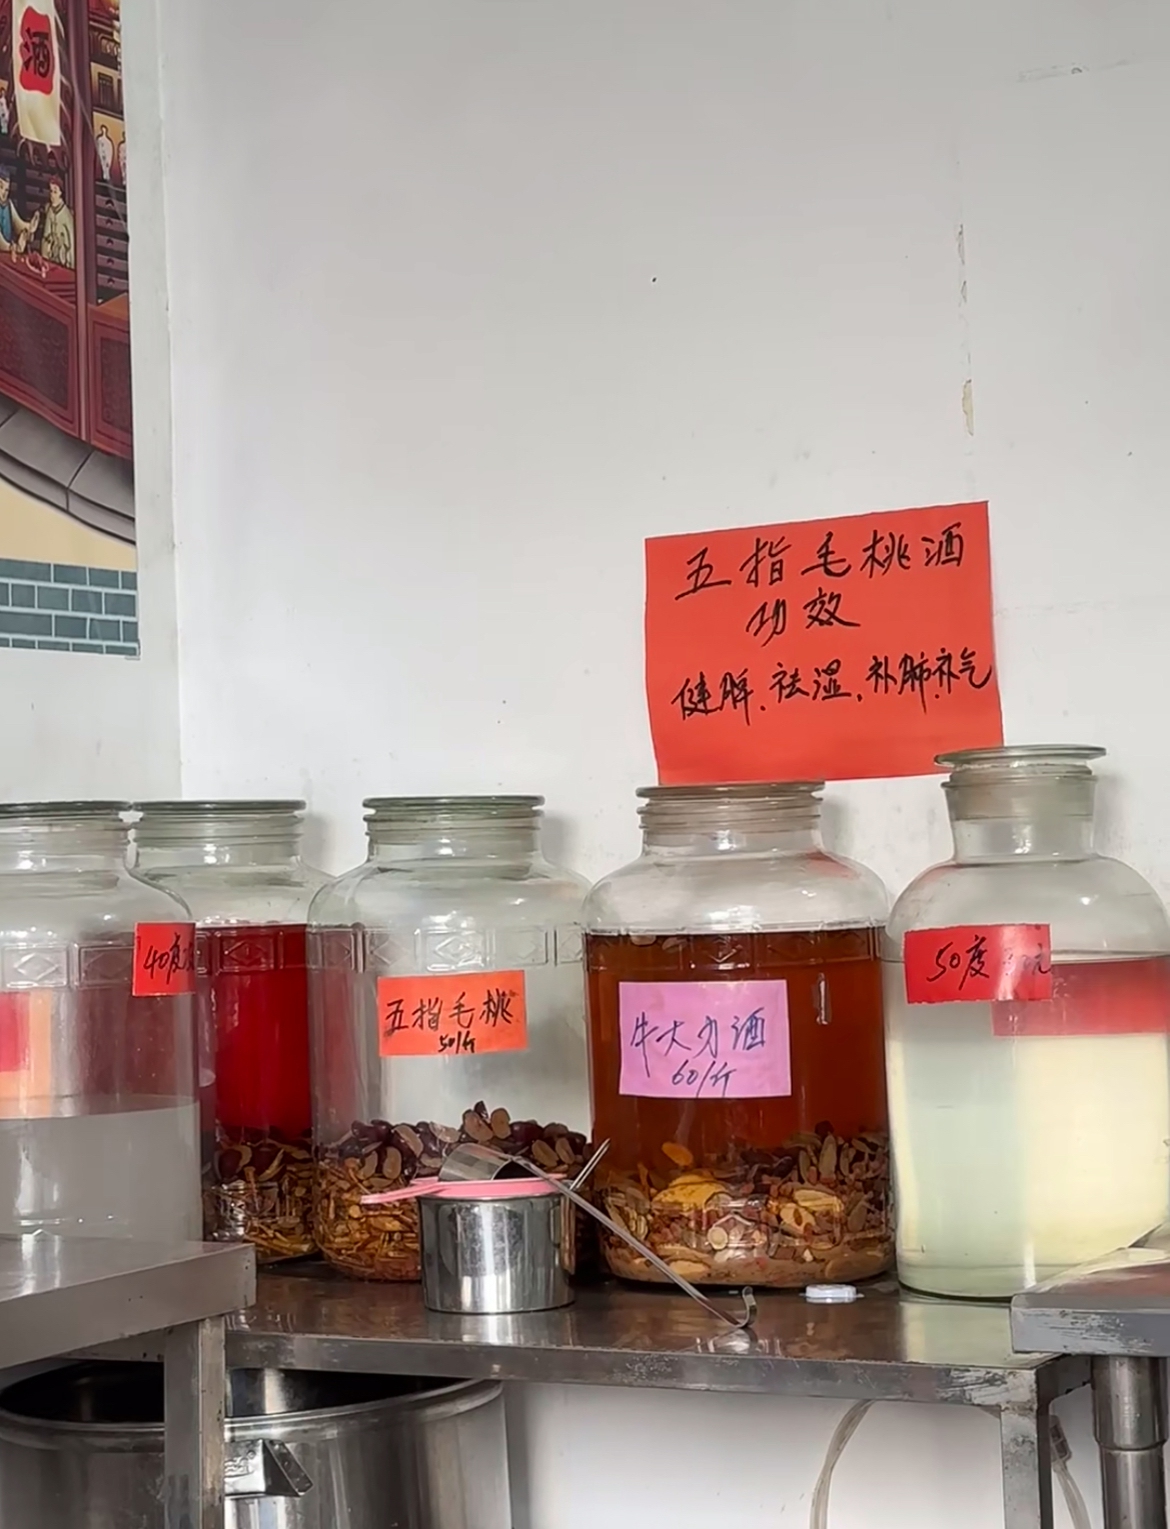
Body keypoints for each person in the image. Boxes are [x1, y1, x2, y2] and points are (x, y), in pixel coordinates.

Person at [32, 176, 74, 268]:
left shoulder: (66, 215)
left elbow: (71, 241)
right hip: (51, 258)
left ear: (60, 193)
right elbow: (46, 235)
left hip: (64, 260)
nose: (52, 195)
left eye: (55, 192)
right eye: (51, 191)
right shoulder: (50, 211)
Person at [0, 167, 31, 254]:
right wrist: (11, 247)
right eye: (0, 187)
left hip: (6, 254)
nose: (4, 193)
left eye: (6, 189)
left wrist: (29, 227)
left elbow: (18, 224)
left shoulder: (8, 204)